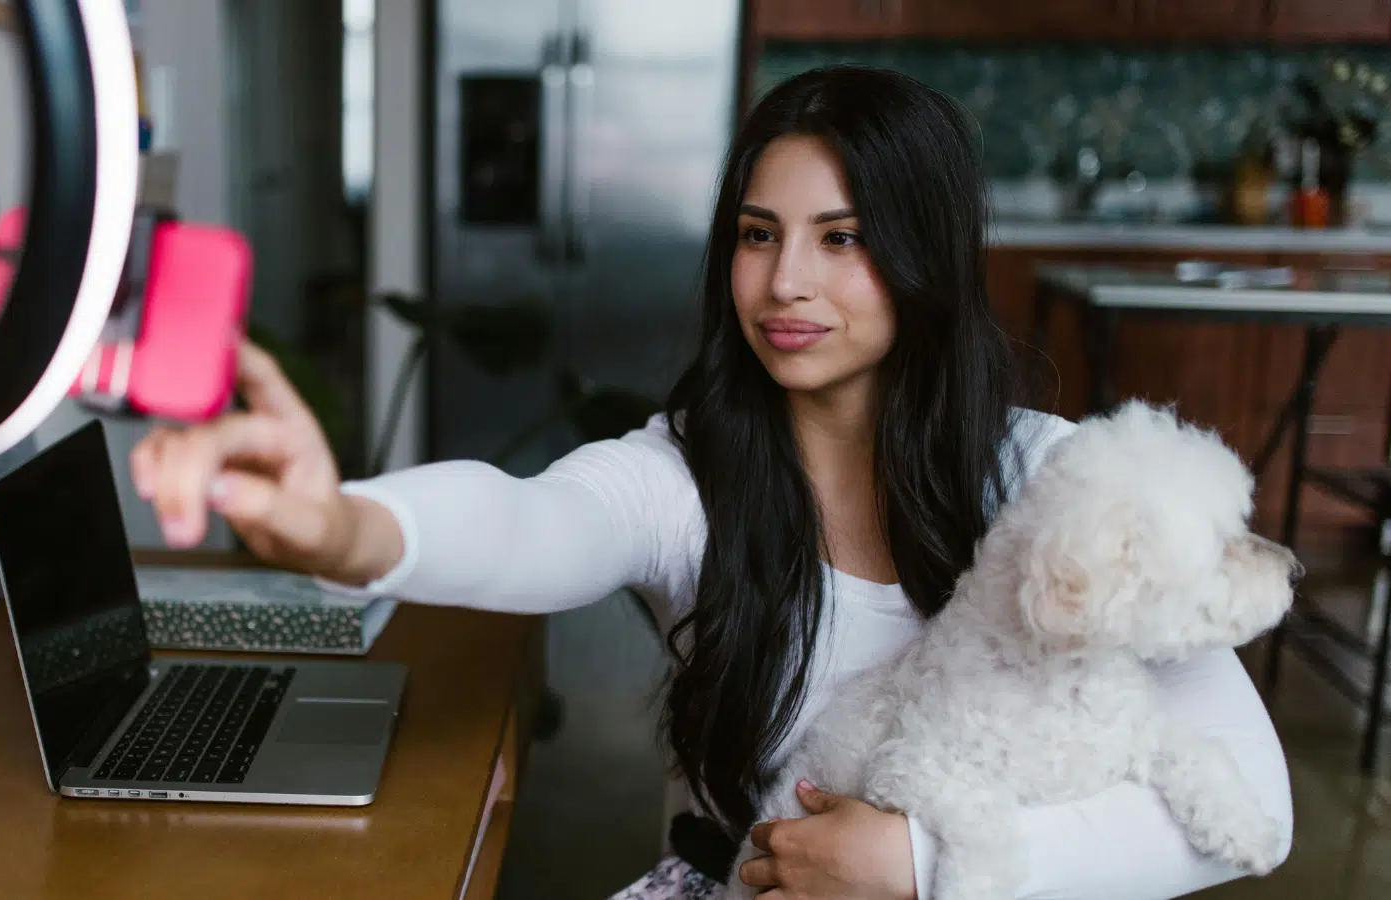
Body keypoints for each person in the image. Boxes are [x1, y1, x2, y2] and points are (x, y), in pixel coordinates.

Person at [130, 65, 1292, 900]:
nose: (784, 282)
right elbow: (531, 519)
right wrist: (337, 522)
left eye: (841, 238)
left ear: (923, 257)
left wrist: (916, 871)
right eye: (755, 232)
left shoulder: (1053, 481)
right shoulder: (686, 475)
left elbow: (1252, 809)